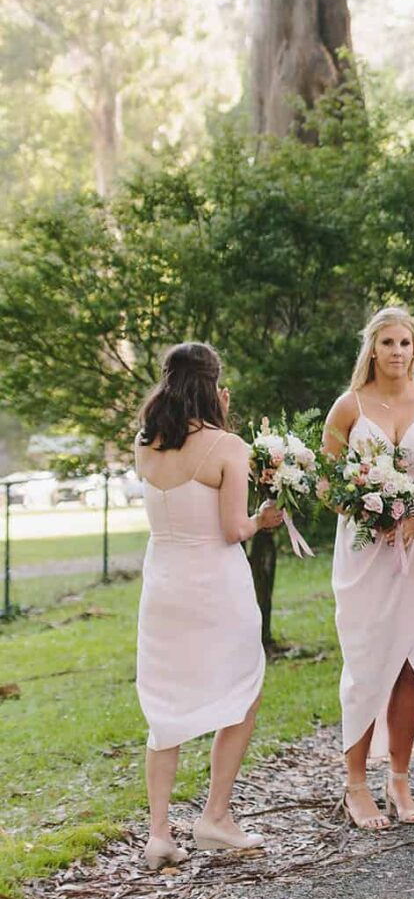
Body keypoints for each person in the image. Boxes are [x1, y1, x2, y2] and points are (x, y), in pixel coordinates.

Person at [132, 342, 287, 869]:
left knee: (165, 705)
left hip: (164, 586)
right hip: (215, 586)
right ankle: (214, 817)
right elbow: (231, 529)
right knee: (244, 687)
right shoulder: (227, 446)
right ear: (214, 386)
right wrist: (264, 521)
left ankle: (158, 834)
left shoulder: (145, 442)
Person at [321, 307, 414, 831]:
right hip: (363, 551)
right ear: (371, 350)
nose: (398, 352)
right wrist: (364, 511)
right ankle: (355, 783)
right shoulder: (347, 407)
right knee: (367, 662)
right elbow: (329, 483)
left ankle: (399, 776)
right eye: (388, 343)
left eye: (406, 343)